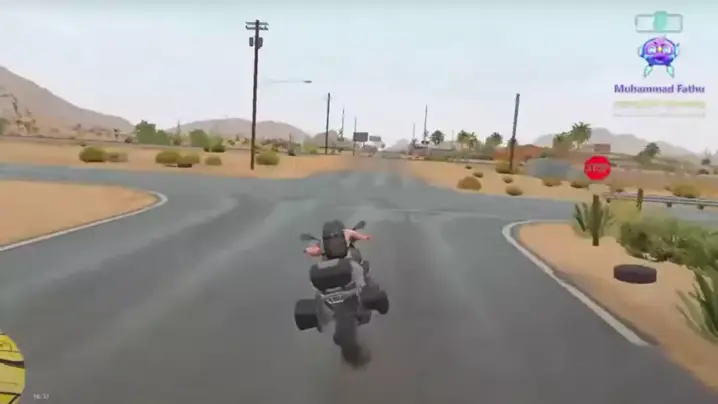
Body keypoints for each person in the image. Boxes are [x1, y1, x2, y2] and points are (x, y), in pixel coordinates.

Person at [303, 220, 372, 288]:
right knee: (364, 266)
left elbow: (313, 251)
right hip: (351, 278)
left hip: (329, 282)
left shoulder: (322, 246)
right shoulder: (353, 264)